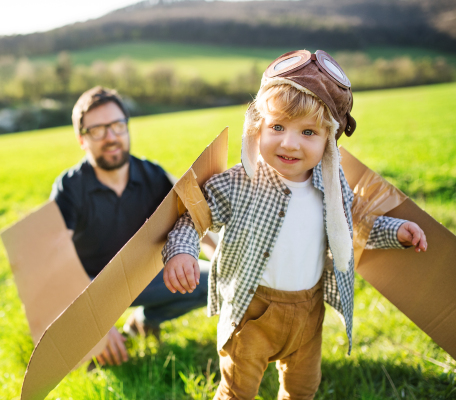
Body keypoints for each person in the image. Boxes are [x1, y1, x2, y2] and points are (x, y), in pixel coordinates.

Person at [161, 50, 428, 399]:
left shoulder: (332, 186)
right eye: (277, 127)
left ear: (328, 141)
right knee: (238, 389)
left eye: (308, 132)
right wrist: (181, 252)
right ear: (257, 125)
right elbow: (193, 217)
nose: (289, 143)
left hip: (307, 312)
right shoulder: (240, 183)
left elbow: (354, 223)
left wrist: (395, 232)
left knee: (303, 388)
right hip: (252, 311)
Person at [50, 86, 214, 367]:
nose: (111, 137)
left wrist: (225, 262)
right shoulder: (69, 188)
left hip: (141, 277)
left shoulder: (153, 174)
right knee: (97, 365)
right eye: (98, 130)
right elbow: (55, 263)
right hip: (90, 288)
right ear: (82, 139)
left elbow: (196, 219)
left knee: (212, 279)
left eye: (117, 126)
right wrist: (93, 323)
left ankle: (144, 323)